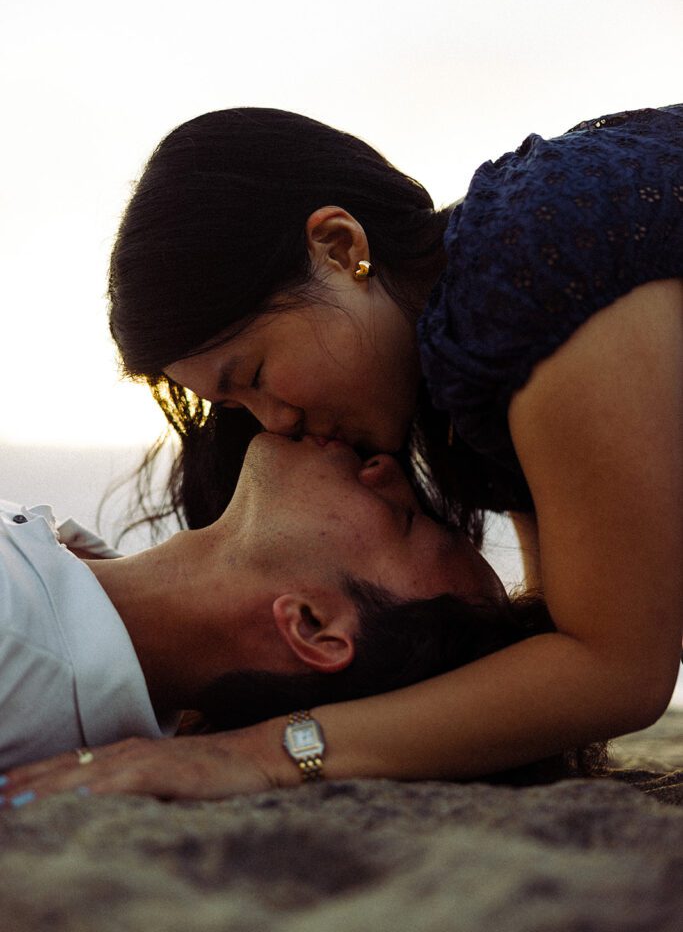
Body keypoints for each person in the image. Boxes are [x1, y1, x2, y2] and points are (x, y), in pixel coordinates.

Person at [5, 104, 680, 804]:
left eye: (256, 376)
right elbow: (554, 639)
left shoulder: (532, 260)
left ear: (338, 246)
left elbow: (614, 668)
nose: (274, 425)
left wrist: (265, 752)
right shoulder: (482, 388)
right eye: (235, 408)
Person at [1, 432, 530, 777]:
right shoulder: (46, 598)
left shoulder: (16, 639)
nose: (384, 468)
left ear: (311, 625)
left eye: (405, 520)